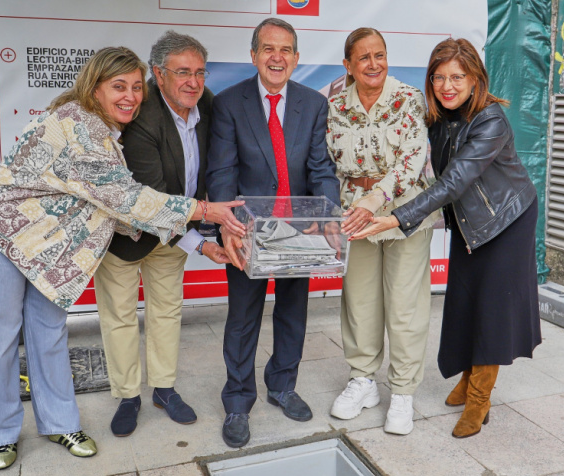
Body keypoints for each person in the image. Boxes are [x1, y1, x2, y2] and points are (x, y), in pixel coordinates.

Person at [0, 47, 245, 469]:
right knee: (0, 337)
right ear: (94, 87)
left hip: (47, 246)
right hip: (0, 232)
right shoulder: (80, 126)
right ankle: (1, 434)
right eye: (119, 87)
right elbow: (127, 199)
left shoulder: (106, 128)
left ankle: (59, 423)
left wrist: (198, 243)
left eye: (135, 87)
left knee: (49, 331)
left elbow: (114, 209)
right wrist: (204, 212)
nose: (131, 96)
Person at [351, 37, 541, 439]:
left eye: (457, 77)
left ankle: (479, 398)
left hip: (505, 220)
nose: (447, 86)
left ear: (476, 79)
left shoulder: (490, 120)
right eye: (439, 77)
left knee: (492, 311)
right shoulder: (437, 117)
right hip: (470, 223)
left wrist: (397, 219)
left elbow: (454, 181)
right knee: (464, 302)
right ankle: (467, 376)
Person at [207, 18, 341, 448]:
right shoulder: (229, 103)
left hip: (298, 230)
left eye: (286, 50)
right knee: (243, 319)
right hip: (249, 230)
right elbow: (222, 173)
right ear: (253, 55)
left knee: (292, 313)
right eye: (268, 49)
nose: (277, 57)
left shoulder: (312, 104)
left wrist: (328, 216)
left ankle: (282, 385)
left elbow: (320, 168)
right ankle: (238, 400)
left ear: (297, 58)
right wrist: (228, 227)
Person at [95, 31, 229, 437]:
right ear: (158, 73)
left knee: (167, 310)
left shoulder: (205, 103)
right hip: (126, 234)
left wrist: (203, 230)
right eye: (182, 72)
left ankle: (164, 389)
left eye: (200, 72)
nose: (193, 81)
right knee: (119, 315)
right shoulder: (139, 115)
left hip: (178, 228)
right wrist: (201, 242)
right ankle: (127, 395)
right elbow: (149, 201)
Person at [325, 28, 431, 435]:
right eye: (364, 57)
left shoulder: (408, 98)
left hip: (404, 214)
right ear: (348, 65)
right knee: (360, 302)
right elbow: (328, 163)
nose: (373, 64)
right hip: (354, 217)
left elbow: (411, 160)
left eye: (380, 55)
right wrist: (339, 211)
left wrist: (375, 201)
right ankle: (363, 380)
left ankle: (403, 392)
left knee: (405, 307)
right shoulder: (334, 104)